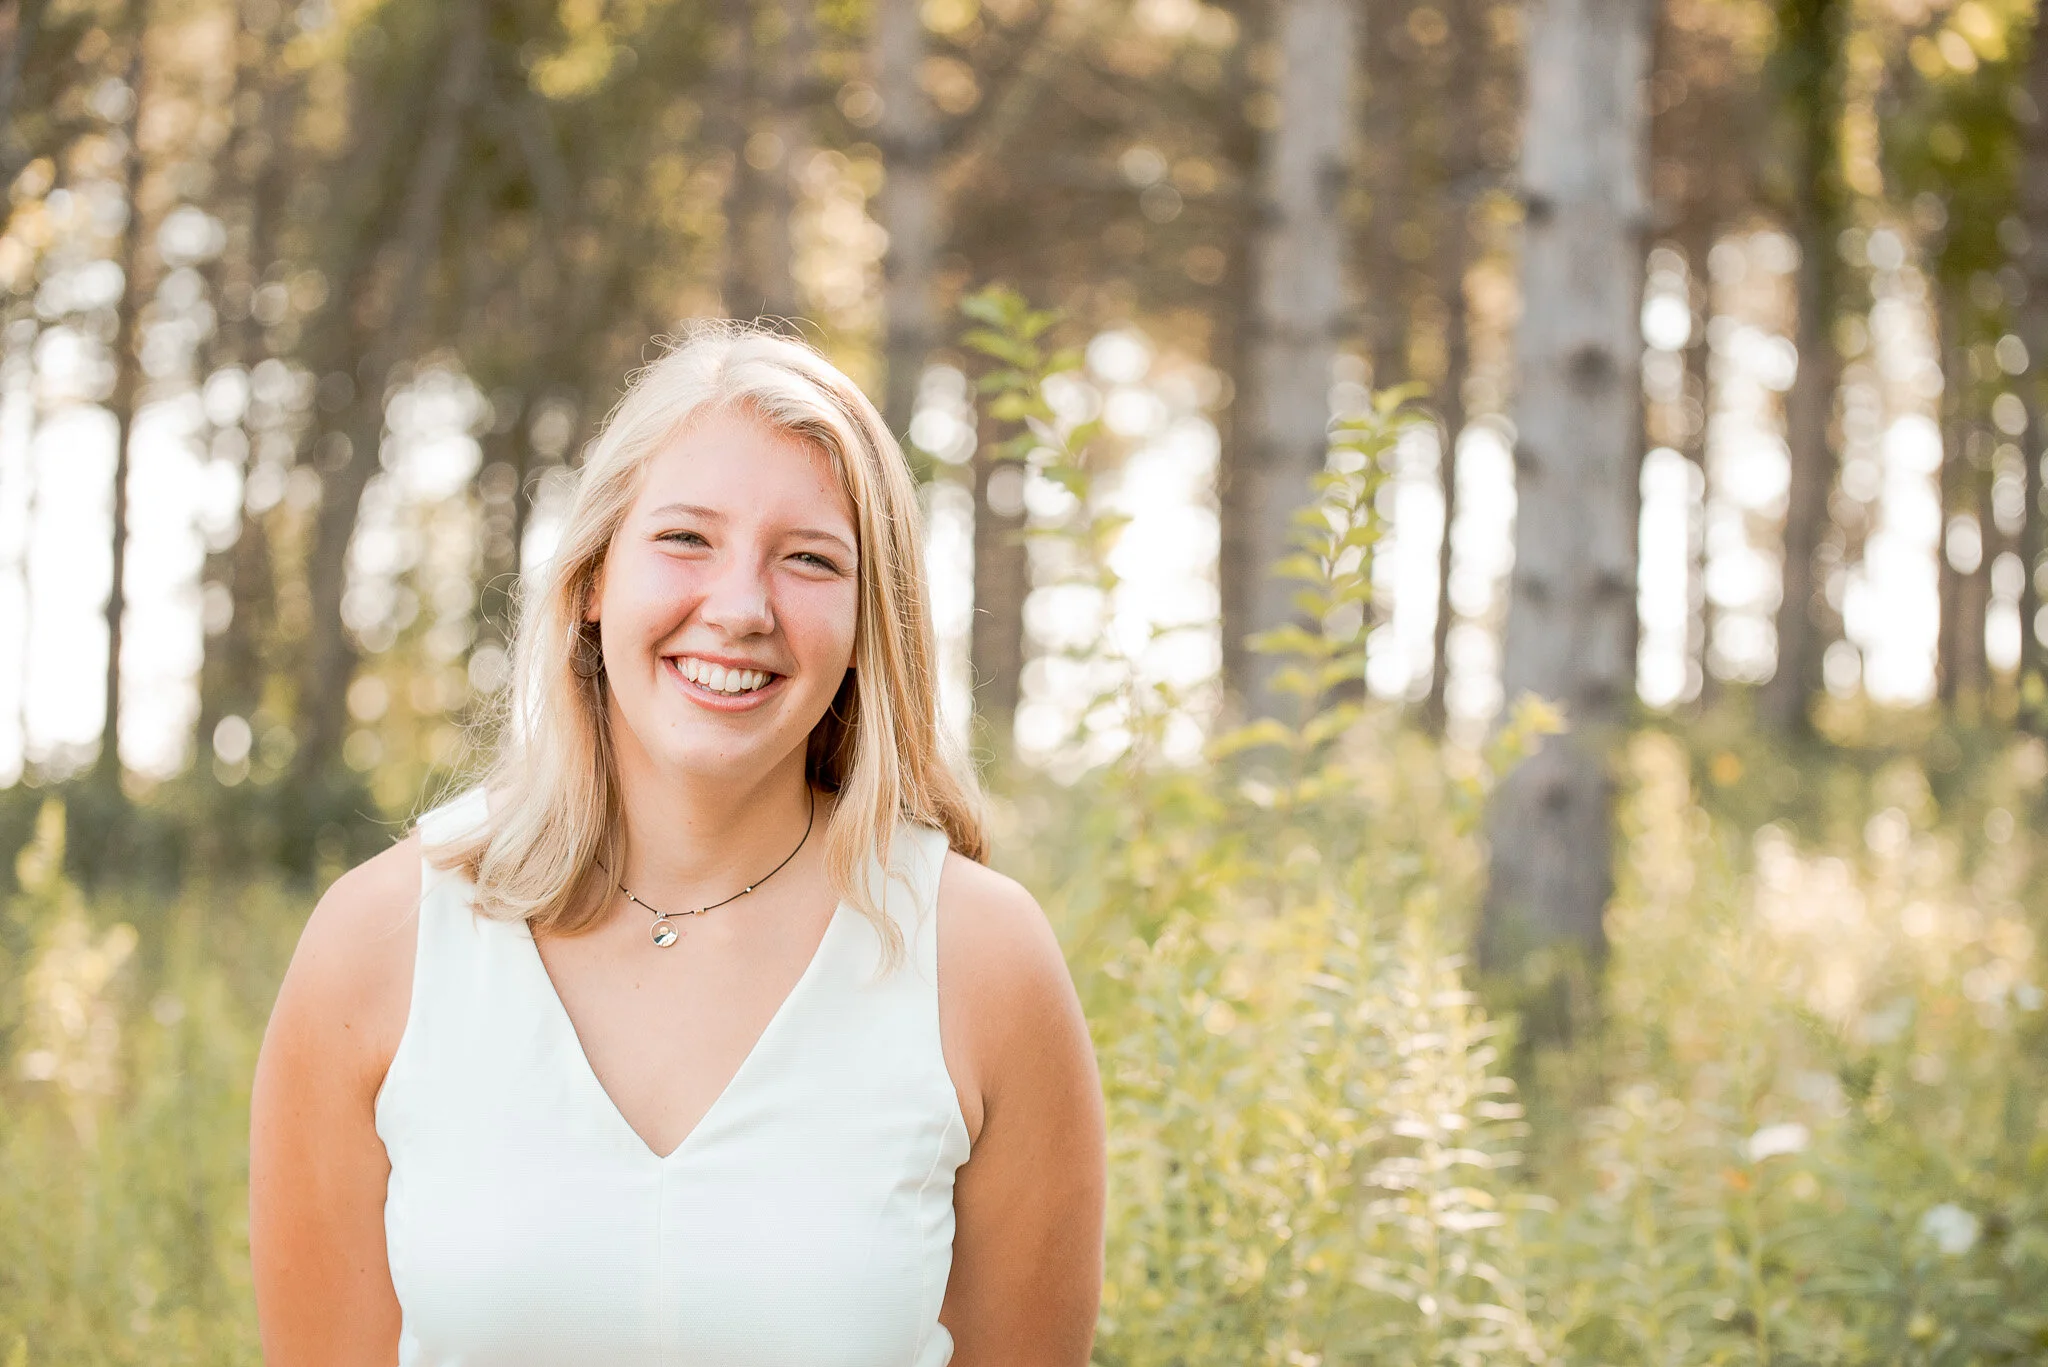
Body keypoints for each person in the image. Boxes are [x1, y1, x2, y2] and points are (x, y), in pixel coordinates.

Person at [248, 325, 1106, 1366]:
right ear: (594, 576)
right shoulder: (380, 940)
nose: (740, 608)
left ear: (867, 619)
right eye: (686, 539)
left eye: (807, 558)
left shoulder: (981, 958)